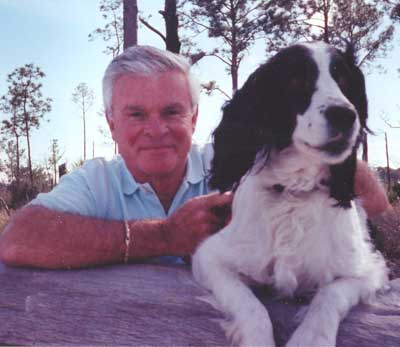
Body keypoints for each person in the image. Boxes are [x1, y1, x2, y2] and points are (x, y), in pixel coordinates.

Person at [0, 46, 389, 269]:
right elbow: (18, 239)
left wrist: (329, 158)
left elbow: (374, 202)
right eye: (136, 114)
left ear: (194, 117)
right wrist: (165, 236)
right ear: (111, 124)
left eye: (172, 112)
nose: (156, 130)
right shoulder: (95, 181)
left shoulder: (243, 162)